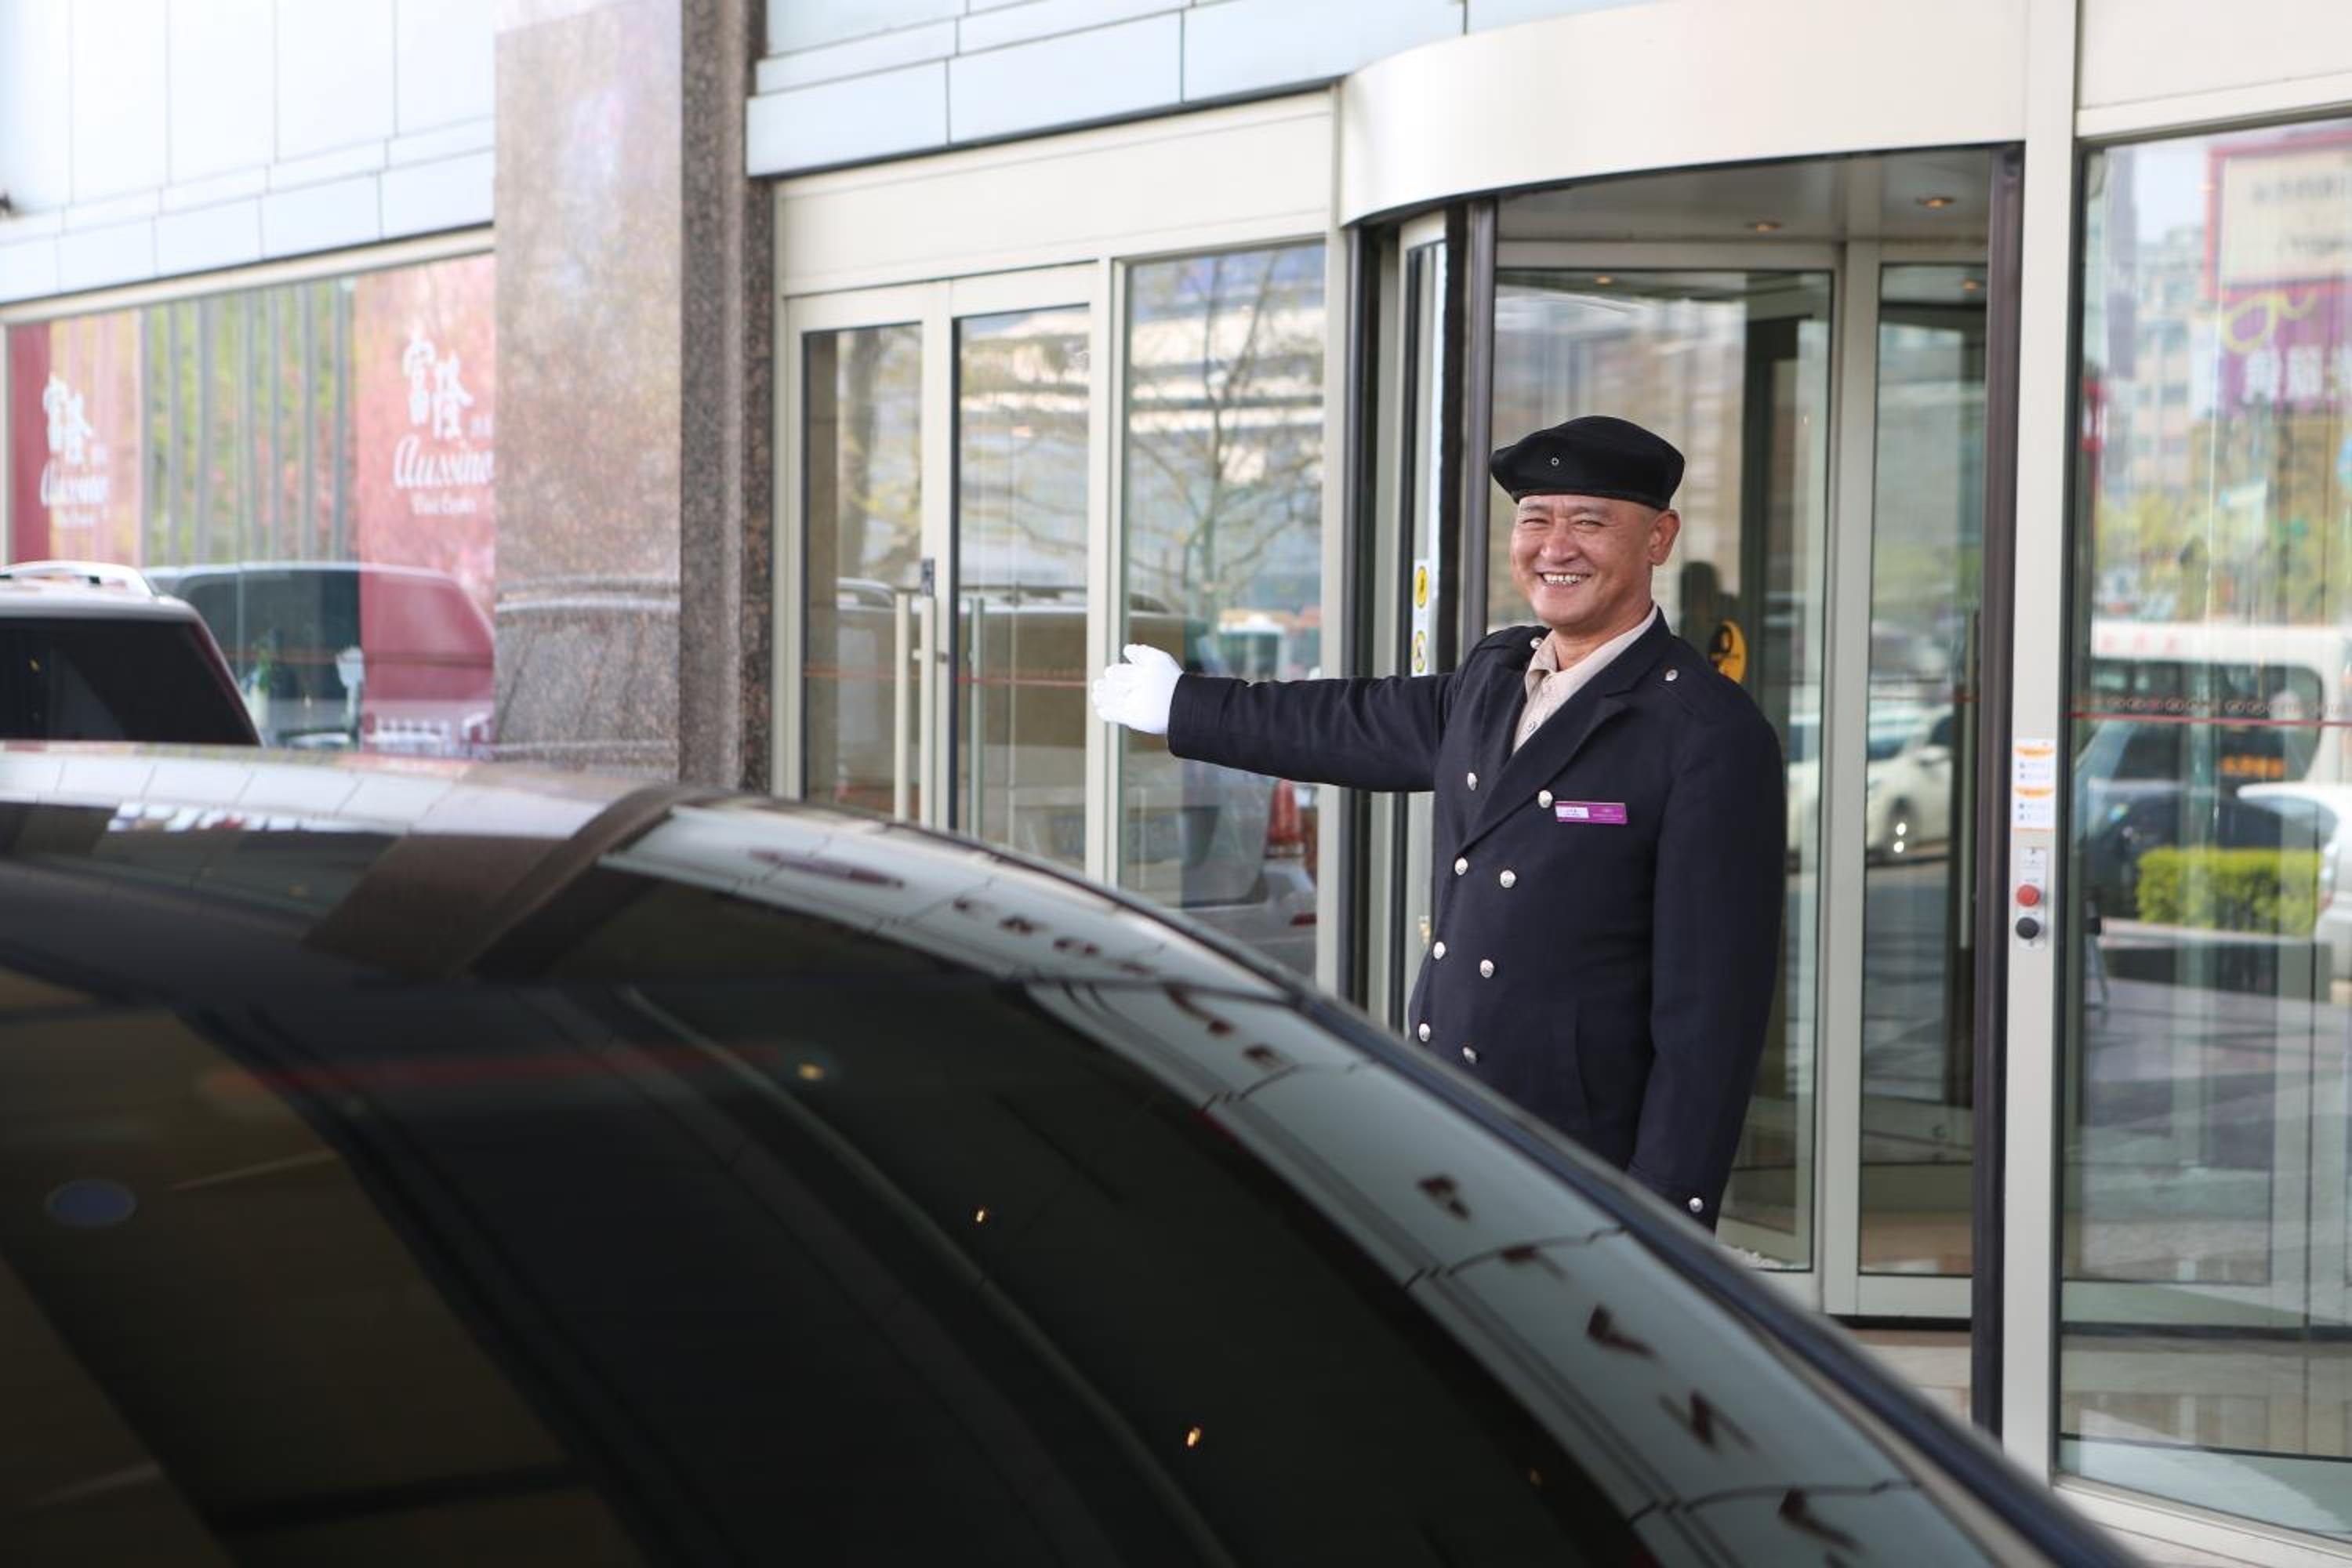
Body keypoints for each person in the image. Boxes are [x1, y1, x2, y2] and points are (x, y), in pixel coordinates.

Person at [1091, 416, 1784, 1229]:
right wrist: (1188, 705)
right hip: (1450, 1136)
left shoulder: (1704, 732)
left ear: (1659, 538)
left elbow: (1708, 1020)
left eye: (1589, 522)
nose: (1555, 547)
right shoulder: (1495, 677)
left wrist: (1663, 1224)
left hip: (1581, 1173)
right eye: (1535, 519)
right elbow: (1348, 721)